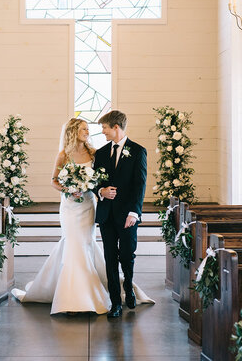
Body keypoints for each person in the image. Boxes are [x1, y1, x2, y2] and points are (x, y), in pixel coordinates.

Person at [11, 117, 153, 315]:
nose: (89, 132)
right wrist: (69, 189)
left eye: (89, 128)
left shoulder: (94, 153)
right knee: (74, 245)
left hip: (88, 205)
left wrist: (97, 190)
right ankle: (73, 296)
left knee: (87, 245)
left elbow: (101, 178)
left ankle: (107, 290)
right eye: (84, 129)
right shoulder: (64, 155)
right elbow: (54, 180)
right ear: (73, 131)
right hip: (70, 207)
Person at [93, 110, 147, 318]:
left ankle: (130, 289)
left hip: (128, 215)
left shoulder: (138, 151)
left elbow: (139, 185)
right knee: (109, 258)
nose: (103, 132)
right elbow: (95, 182)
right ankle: (115, 302)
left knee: (127, 256)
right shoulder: (101, 153)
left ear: (116, 127)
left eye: (105, 128)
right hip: (107, 214)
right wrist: (101, 191)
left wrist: (134, 212)